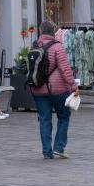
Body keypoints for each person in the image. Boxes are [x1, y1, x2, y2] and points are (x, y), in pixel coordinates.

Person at [30, 20, 79, 160]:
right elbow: (65, 69)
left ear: (40, 31)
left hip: (38, 89)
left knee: (44, 119)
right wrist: (73, 86)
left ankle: (46, 151)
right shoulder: (58, 47)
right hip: (58, 90)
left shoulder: (34, 46)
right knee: (63, 117)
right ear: (53, 32)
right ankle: (59, 147)